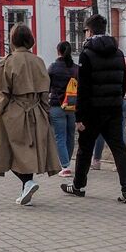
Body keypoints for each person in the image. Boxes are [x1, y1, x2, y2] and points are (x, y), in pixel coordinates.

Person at [62, 14, 126, 203]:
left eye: (85, 31)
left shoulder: (87, 54)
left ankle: (79, 186)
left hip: (92, 111)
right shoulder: (118, 53)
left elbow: (83, 88)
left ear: (90, 31)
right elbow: (123, 82)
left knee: (85, 149)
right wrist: (118, 100)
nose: (84, 34)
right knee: (119, 148)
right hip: (113, 109)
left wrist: (79, 116)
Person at [0, 24, 62, 206]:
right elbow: (45, 92)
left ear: (12, 39)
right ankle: (26, 189)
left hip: (14, 112)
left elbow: (3, 93)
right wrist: (46, 113)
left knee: (7, 150)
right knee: (28, 151)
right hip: (37, 111)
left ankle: (27, 182)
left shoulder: (6, 63)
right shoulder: (39, 61)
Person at [90, 66, 126, 171]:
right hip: (121, 100)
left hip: (104, 101)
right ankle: (120, 163)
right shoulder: (124, 61)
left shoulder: (101, 63)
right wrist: (125, 90)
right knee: (120, 131)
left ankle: (96, 160)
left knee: (100, 131)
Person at [47, 41, 79, 178]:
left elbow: (47, 86)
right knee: (70, 136)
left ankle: (65, 166)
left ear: (58, 51)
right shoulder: (76, 69)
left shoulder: (53, 68)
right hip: (72, 106)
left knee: (60, 136)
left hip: (57, 106)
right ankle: (67, 162)